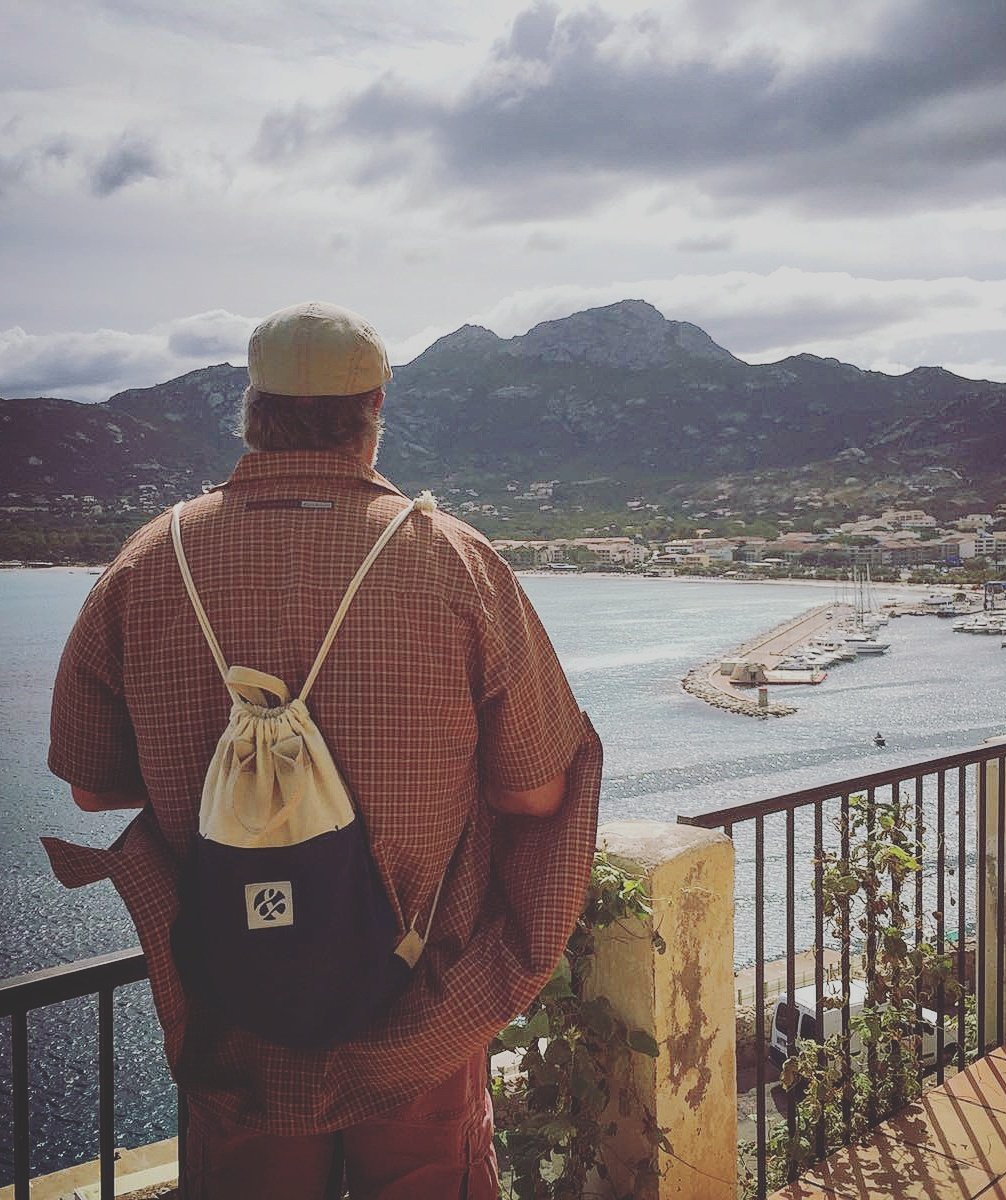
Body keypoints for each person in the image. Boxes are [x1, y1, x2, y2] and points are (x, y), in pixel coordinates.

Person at [44, 300, 601, 1200]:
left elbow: (93, 793)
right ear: (375, 407)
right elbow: (539, 794)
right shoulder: (452, 560)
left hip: (235, 1006)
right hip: (420, 1009)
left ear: (251, 408)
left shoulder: (150, 561)